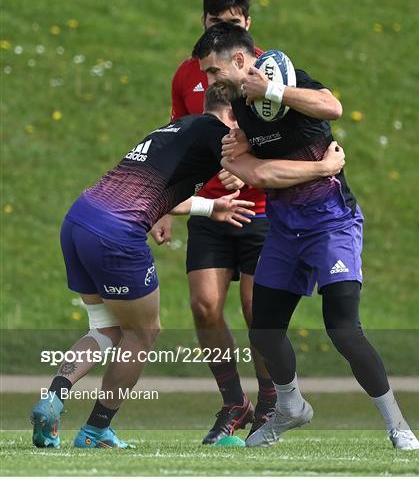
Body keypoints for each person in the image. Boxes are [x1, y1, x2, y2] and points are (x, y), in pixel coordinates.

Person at [30, 82, 345, 450]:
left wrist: (211, 207)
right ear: (232, 113)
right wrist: (323, 167)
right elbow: (261, 176)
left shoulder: (174, 129)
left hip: (78, 220)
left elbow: (161, 193)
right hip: (117, 232)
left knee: (106, 327)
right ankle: (97, 429)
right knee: (143, 333)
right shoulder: (218, 134)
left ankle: (53, 397)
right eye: (246, 115)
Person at [192, 22, 419, 451]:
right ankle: (291, 407)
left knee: (343, 329)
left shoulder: (287, 80)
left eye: (212, 70)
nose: (208, 81)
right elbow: (261, 173)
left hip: (332, 223)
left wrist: (275, 95)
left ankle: (398, 423)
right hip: (283, 229)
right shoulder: (239, 107)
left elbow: (331, 107)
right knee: (263, 331)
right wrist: (312, 166)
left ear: (239, 61)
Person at [150, 0, 274, 443]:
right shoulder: (188, 74)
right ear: (204, 22)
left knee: (256, 308)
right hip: (209, 208)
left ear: (247, 25)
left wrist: (254, 170)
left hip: (262, 208)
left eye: (233, 25)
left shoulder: (268, 69)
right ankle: (233, 403)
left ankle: (270, 402)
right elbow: (177, 137)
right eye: (216, 24)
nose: (224, 33)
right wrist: (164, 202)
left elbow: (290, 136)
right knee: (204, 307)